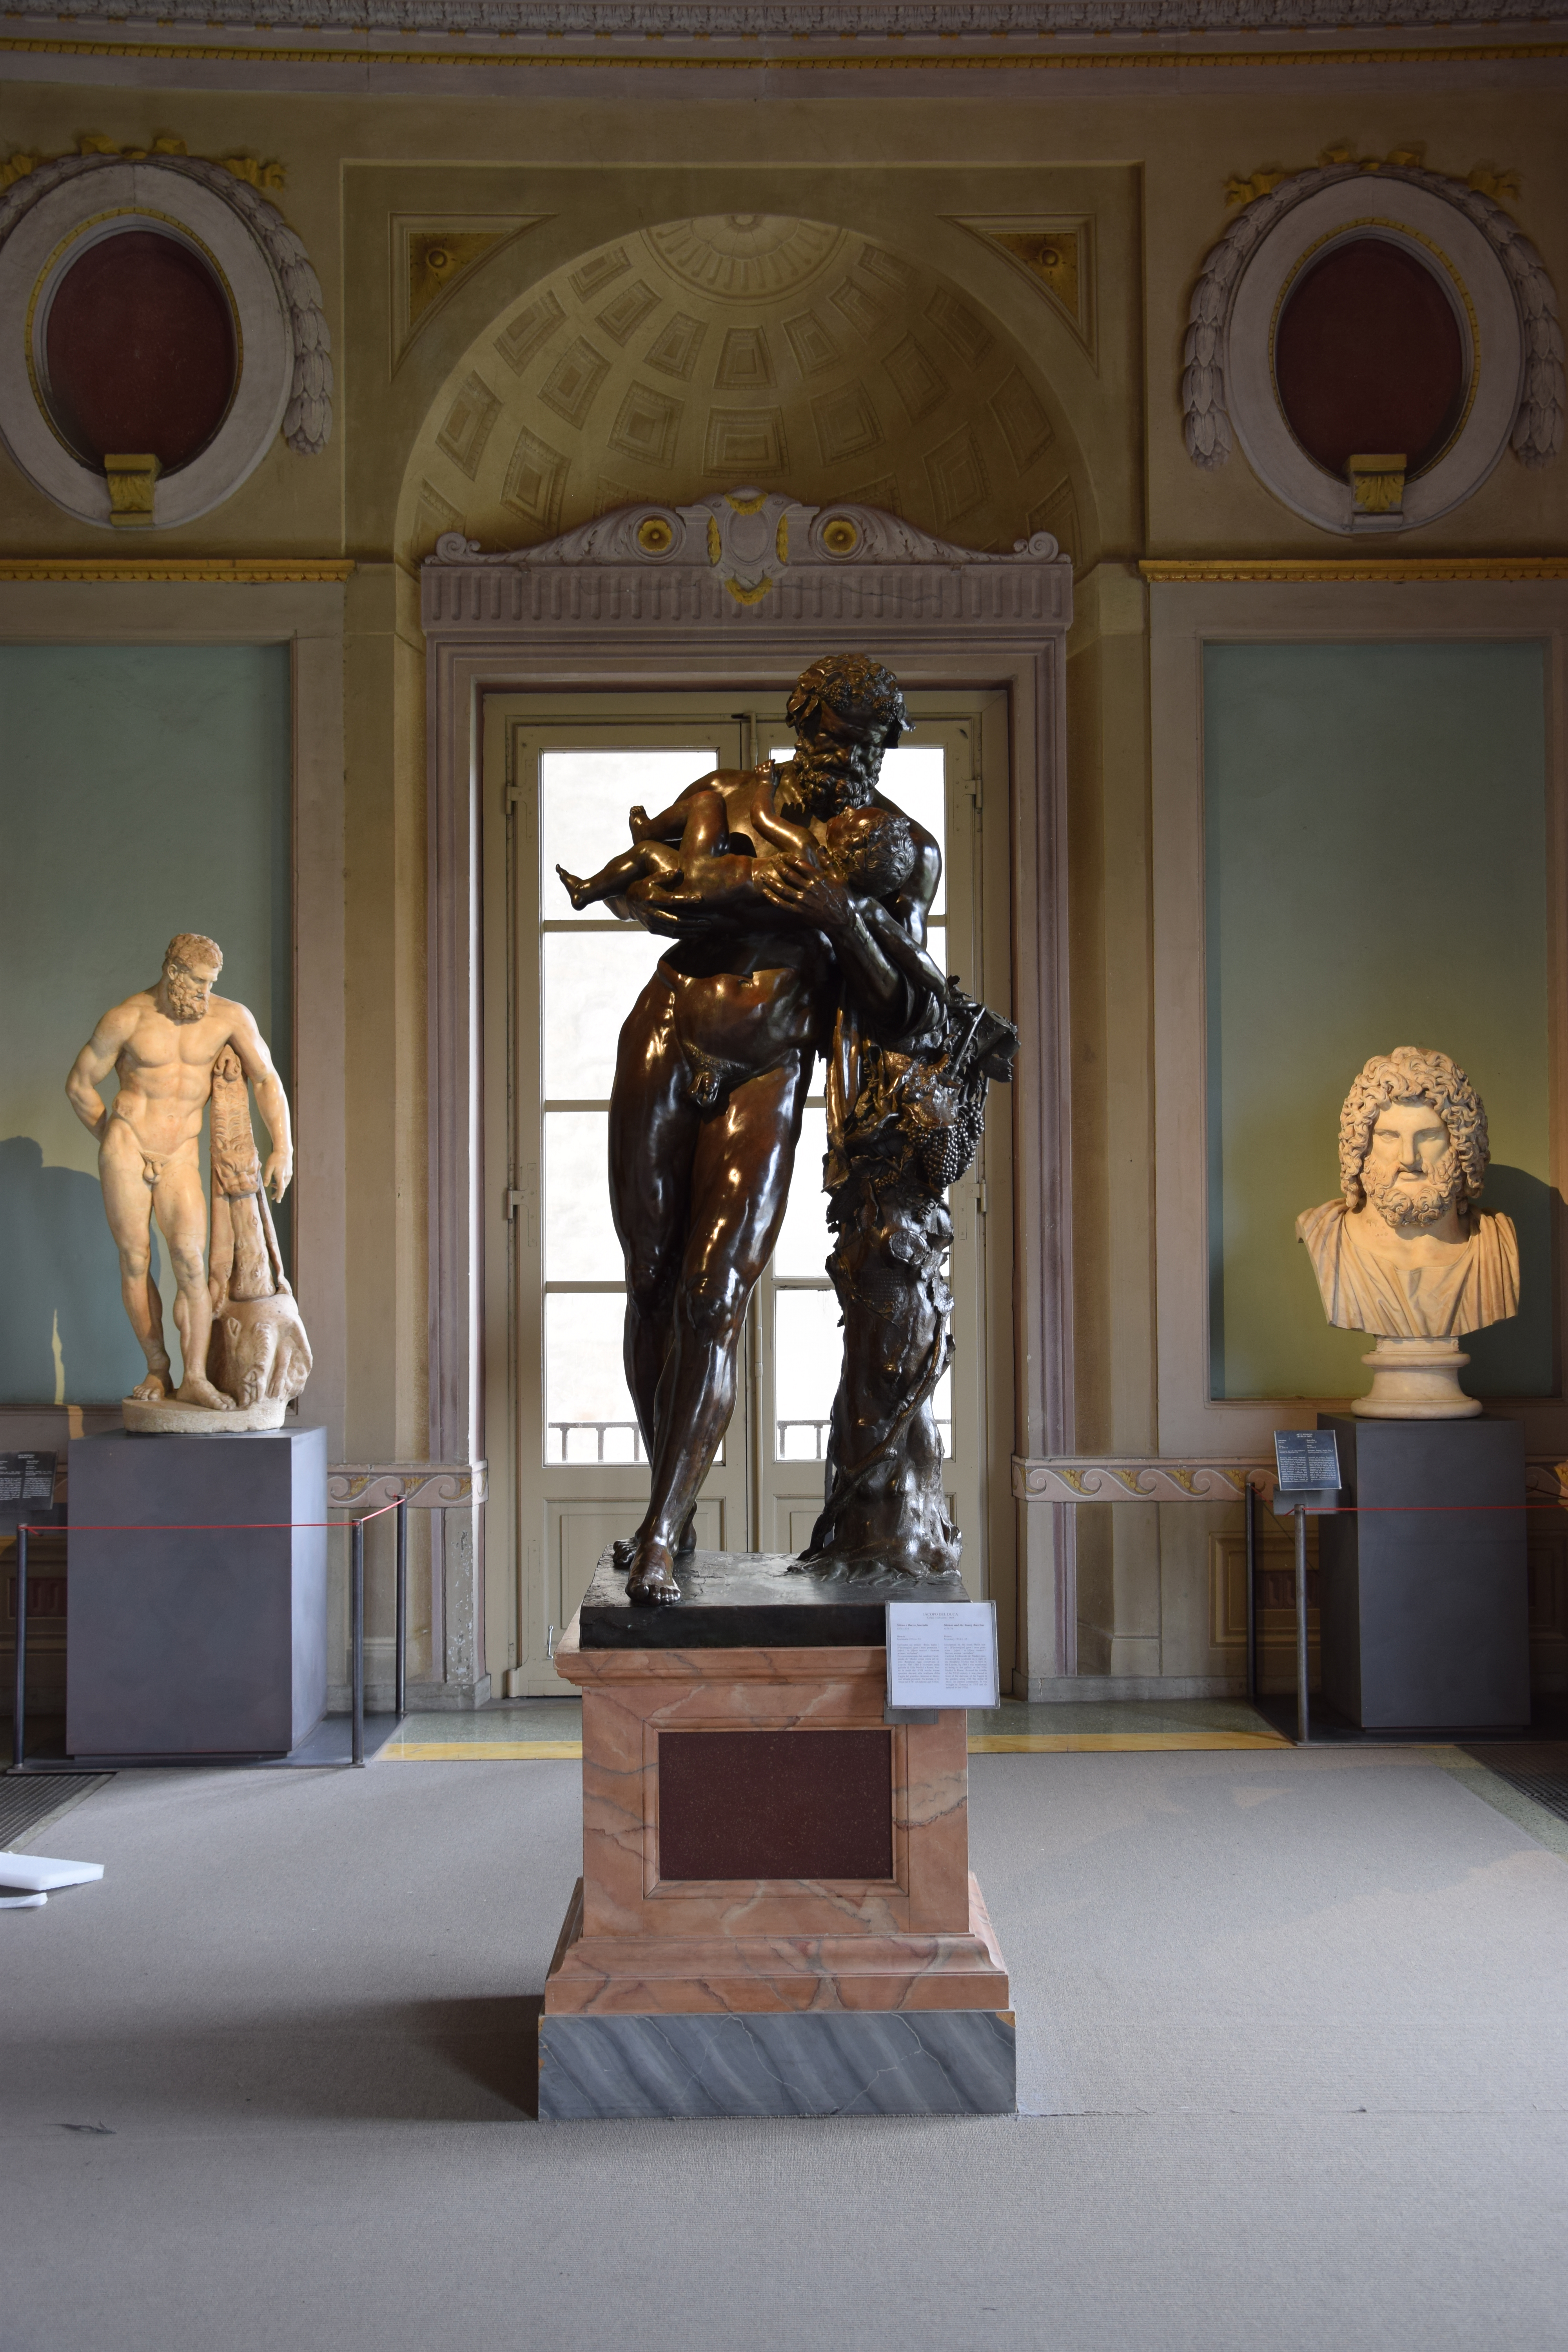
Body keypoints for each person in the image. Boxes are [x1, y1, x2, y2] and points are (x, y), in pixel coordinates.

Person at [602, 654, 942, 1604]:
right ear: (803, 723)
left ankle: (660, 1531)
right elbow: (636, 887)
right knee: (651, 1279)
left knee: (713, 1294)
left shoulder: (901, 848)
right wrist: (693, 889)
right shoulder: (726, 797)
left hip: (770, 1066)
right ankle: (671, 1501)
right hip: (666, 1033)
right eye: (837, 736)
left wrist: (840, 919)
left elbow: (911, 1010)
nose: (854, 758)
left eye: (872, 743)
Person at [64, 933, 294, 1410]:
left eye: (213, 983)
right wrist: (114, 1136)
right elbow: (80, 1085)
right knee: (135, 1260)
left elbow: (266, 1078)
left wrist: (283, 1148)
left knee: (191, 1262)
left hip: (181, 1153)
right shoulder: (127, 1018)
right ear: (173, 972)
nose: (208, 992)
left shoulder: (230, 1017)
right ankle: (157, 1368)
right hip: (128, 1147)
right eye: (200, 982)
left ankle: (194, 1379)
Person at [1296, 1045, 1519, 1338]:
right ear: (1360, 1148)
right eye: (1389, 1136)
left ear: (1463, 1147)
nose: (1409, 1159)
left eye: (1429, 1136)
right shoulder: (1326, 1236)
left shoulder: (1494, 1245)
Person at [555, 774, 916, 930]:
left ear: (851, 846)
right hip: (705, 895)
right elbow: (627, 900)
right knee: (648, 853)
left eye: (852, 820)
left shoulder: (807, 850)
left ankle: (638, 842)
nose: (848, 811)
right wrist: (638, 902)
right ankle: (587, 889)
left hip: (704, 873)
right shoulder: (840, 893)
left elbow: (763, 818)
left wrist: (765, 785)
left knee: (707, 803)